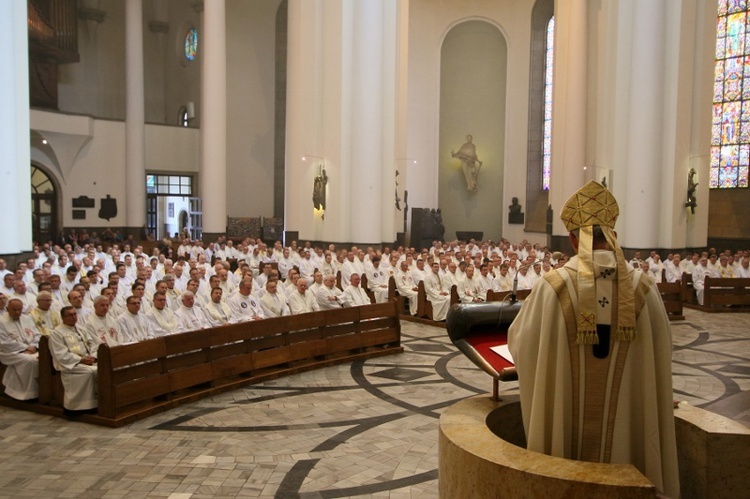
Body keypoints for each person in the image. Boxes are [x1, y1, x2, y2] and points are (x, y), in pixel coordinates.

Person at [508, 181, 679, 498]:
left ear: (574, 239)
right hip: (629, 445)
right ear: (613, 233)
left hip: (566, 432)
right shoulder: (644, 287)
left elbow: (522, 346)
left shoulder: (553, 286)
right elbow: (663, 352)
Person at [49, 306, 99, 411]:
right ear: (63, 317)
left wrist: (93, 356)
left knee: (103, 369)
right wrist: (81, 360)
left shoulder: (81, 328)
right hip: (71, 364)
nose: (73, 317)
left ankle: (97, 403)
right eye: (70, 315)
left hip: (88, 360)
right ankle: (81, 406)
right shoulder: (56, 333)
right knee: (90, 372)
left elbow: (92, 344)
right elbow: (60, 353)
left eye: (75, 314)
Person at [0, 299, 41, 400]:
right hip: (9, 352)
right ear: (7, 309)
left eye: (20, 309)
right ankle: (26, 393)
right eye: (14, 310)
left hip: (31, 350)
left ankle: (42, 391)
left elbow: (37, 334)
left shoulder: (27, 318)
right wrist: (25, 348)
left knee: (43, 358)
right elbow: (4, 343)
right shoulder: (1, 322)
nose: (17, 312)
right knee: (30, 361)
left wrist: (34, 346)